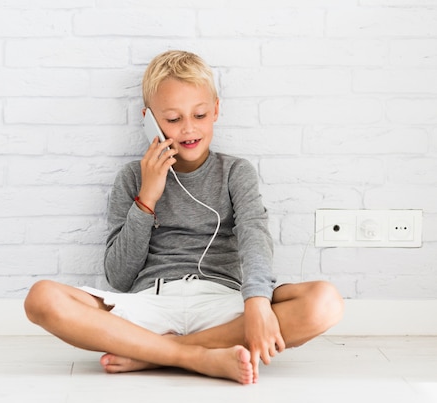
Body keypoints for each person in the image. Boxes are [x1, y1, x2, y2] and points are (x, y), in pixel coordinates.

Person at [24, 50, 344, 385]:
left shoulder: (235, 172)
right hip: (151, 304)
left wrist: (258, 303)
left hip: (224, 305)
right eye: (173, 120)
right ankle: (192, 356)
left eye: (200, 114)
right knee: (42, 298)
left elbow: (254, 238)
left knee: (325, 303)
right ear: (150, 120)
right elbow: (119, 277)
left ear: (216, 110)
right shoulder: (133, 178)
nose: (189, 129)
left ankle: (152, 354)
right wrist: (146, 198)